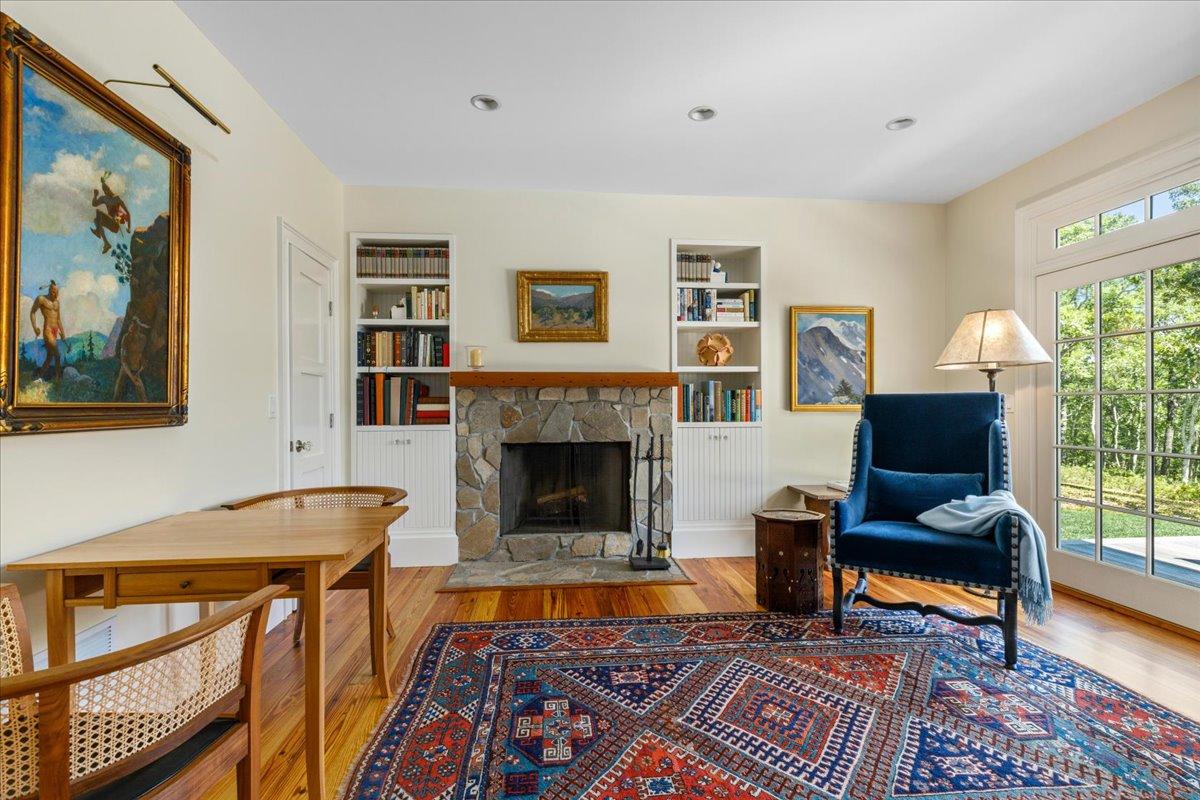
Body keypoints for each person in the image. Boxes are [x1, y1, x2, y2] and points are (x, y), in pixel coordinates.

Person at [30, 280, 66, 381]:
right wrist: (34, 327)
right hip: (48, 330)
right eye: (54, 292)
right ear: (50, 290)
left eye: (57, 292)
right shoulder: (41, 299)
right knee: (57, 355)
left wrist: (62, 333)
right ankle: (59, 380)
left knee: (49, 357)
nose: (56, 295)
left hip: (55, 331)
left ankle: (38, 376)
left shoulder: (57, 303)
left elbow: (58, 319)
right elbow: (32, 312)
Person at [91, 172, 131, 254]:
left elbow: (128, 213)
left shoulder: (117, 199)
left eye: (107, 190)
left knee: (98, 213)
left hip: (115, 225)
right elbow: (94, 204)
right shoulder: (104, 198)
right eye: (105, 191)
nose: (107, 192)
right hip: (110, 222)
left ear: (110, 189)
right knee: (96, 220)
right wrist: (95, 195)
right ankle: (106, 243)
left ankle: (99, 233)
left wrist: (129, 227)